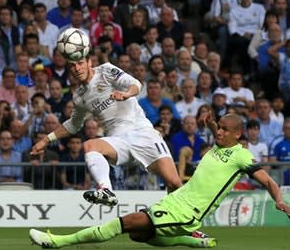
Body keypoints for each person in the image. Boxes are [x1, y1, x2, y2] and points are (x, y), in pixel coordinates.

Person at [30, 113, 290, 249]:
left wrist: (280, 200)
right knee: (138, 236)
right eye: (219, 129)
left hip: (188, 211)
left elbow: (268, 181)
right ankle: (191, 239)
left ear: (238, 134)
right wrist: (213, 124)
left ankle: (58, 241)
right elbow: (218, 131)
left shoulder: (242, 156)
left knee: (127, 223)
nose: (219, 133)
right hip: (177, 200)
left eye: (225, 130)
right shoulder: (221, 142)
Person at [30, 29, 182, 207]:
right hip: (118, 139)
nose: (77, 69)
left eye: (80, 63)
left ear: (89, 62)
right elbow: (73, 125)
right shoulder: (79, 96)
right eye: (72, 66)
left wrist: (126, 94)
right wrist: (47, 140)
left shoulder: (106, 71)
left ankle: (188, 225)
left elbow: (136, 84)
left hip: (142, 132)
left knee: (174, 184)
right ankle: (105, 189)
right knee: (89, 145)